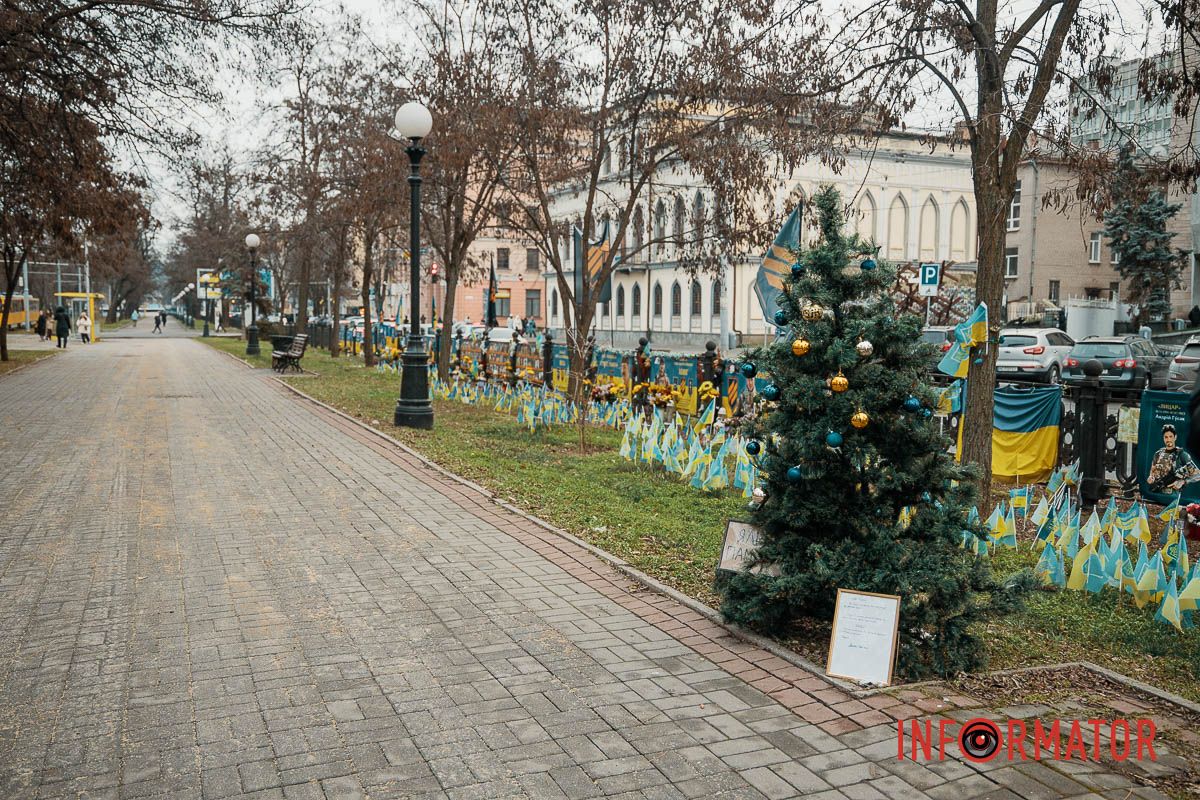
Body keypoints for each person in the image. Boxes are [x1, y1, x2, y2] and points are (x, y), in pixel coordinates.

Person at [1148, 424, 1200, 494]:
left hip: (1173, 495)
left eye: (1170, 437)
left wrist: (1183, 481)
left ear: (1175, 437)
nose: (1168, 439)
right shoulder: (1158, 454)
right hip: (1157, 493)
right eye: (1166, 437)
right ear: (1163, 438)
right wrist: (1151, 477)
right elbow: (1153, 470)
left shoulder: (1182, 455)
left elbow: (1198, 475)